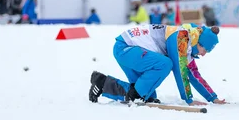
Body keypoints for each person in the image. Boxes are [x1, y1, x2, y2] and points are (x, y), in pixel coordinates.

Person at [89, 23, 226, 106]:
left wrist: (212, 98)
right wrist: (188, 99)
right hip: (126, 48)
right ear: (199, 43)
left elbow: (194, 75)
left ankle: (102, 83)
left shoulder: (189, 43)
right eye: (205, 50)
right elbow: (180, 70)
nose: (204, 54)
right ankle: (135, 94)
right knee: (166, 64)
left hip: (133, 51)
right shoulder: (181, 38)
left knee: (146, 95)